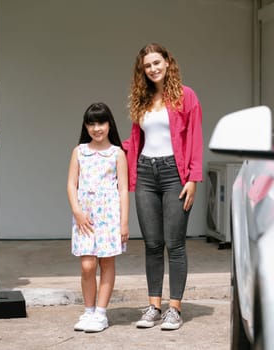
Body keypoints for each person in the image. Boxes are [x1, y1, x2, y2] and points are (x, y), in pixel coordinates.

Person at [123, 43, 203, 330]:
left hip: (174, 175)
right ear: (142, 70)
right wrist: (105, 147)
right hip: (146, 172)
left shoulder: (185, 96)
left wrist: (193, 178)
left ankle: (175, 309)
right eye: (147, 65)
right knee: (153, 244)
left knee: (175, 243)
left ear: (168, 62)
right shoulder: (142, 99)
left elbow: (194, 138)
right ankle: (154, 306)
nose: (153, 69)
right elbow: (136, 142)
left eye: (157, 63)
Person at [67, 102, 129, 333]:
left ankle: (101, 314)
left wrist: (124, 222)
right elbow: (71, 184)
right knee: (87, 265)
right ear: (86, 126)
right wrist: (77, 212)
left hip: (110, 216)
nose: (97, 128)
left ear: (109, 124)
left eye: (101, 122)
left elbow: (123, 189)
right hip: (85, 217)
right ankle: (89, 310)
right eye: (91, 123)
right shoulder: (79, 151)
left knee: (107, 262)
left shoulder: (117, 154)